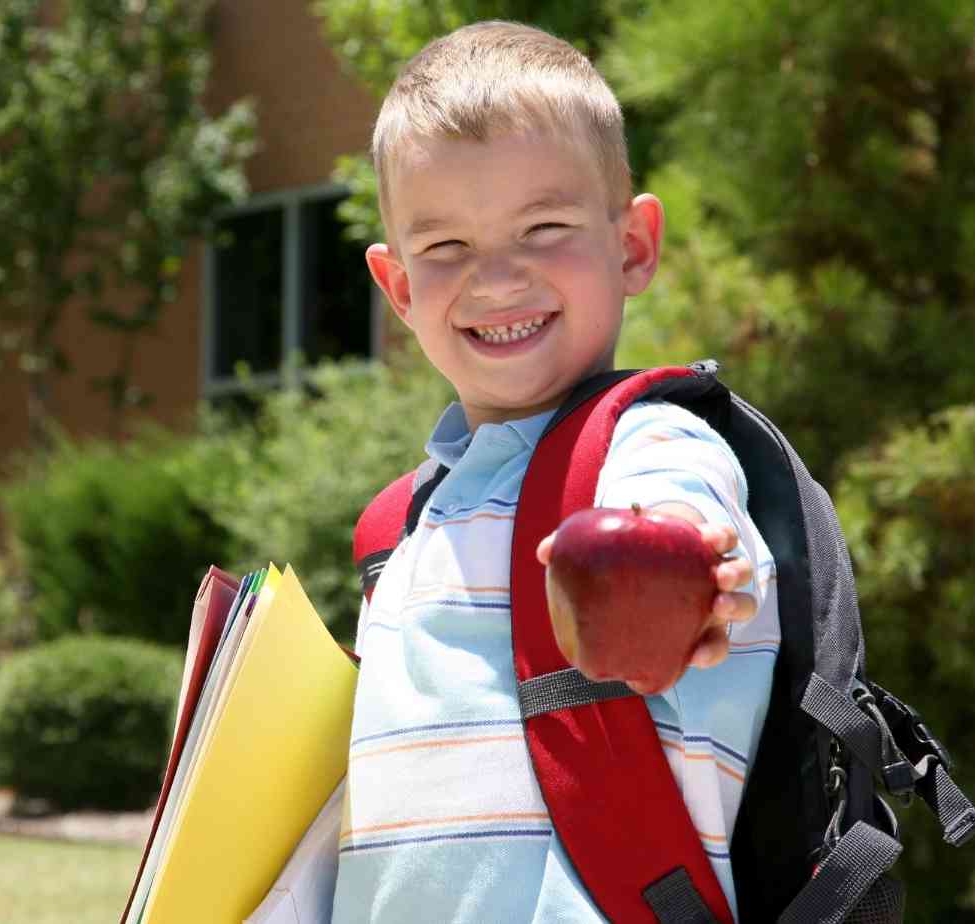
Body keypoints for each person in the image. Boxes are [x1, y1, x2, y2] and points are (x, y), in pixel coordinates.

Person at [329, 21, 781, 923]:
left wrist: (686, 572)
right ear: (401, 287)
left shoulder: (648, 445)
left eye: (544, 228)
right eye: (446, 248)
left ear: (634, 247)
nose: (497, 279)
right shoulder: (401, 531)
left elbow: (684, 521)